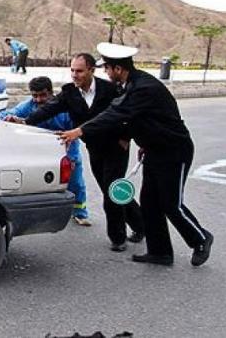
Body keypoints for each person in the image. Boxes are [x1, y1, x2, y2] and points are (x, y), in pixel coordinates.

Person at [58, 43, 213, 266]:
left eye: (107, 69)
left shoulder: (143, 88)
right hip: (153, 149)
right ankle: (160, 252)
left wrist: (79, 131)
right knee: (150, 203)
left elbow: (117, 113)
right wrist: (142, 141)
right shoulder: (131, 84)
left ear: (118, 69)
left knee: (171, 203)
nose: (106, 73)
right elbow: (138, 119)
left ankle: (201, 239)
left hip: (173, 150)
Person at [9, 53, 144, 252]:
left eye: (79, 71)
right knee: (112, 189)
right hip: (95, 147)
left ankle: (118, 238)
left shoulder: (110, 89)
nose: (75, 75)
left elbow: (128, 113)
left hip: (116, 147)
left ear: (91, 70)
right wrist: (25, 122)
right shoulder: (70, 93)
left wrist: (127, 136)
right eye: (72, 70)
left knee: (110, 190)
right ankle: (140, 225)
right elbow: (49, 109)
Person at [0, 77, 91, 225]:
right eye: (35, 96)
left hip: (66, 150)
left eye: (42, 95)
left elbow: (74, 135)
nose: (38, 99)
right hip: (40, 154)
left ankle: (80, 212)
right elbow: (6, 115)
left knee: (76, 183)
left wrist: (71, 159)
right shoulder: (28, 106)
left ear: (51, 93)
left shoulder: (65, 108)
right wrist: (7, 119)